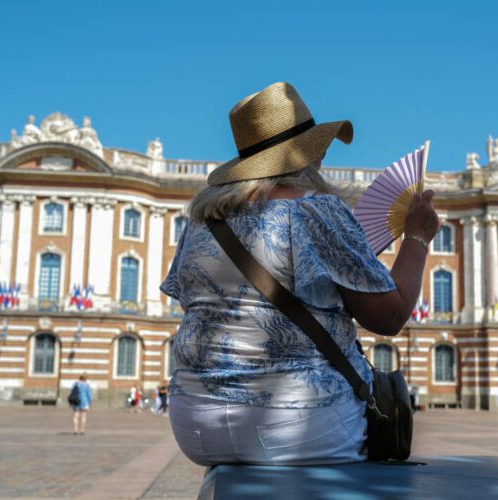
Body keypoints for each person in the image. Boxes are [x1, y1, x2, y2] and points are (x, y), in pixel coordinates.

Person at [161, 82, 439, 466]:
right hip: (297, 423)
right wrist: (417, 238)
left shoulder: (202, 221)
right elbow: (389, 317)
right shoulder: (317, 210)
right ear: (311, 156)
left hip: (194, 423)